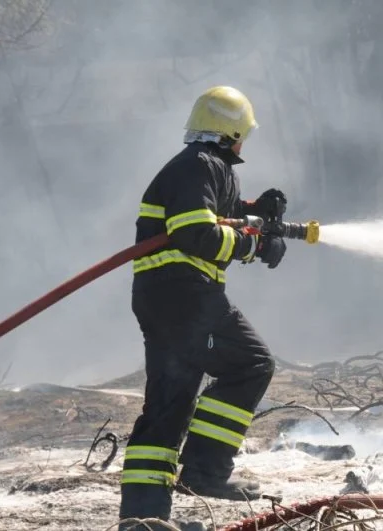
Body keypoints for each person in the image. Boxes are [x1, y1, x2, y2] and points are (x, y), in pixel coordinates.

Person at [118, 85, 287, 530]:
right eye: (242, 134)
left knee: (168, 405)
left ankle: (142, 518)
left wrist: (256, 212)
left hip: (163, 298)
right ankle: (206, 470)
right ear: (231, 132)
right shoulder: (200, 166)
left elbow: (212, 215)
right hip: (186, 297)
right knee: (251, 364)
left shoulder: (197, 167)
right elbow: (197, 233)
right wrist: (254, 247)